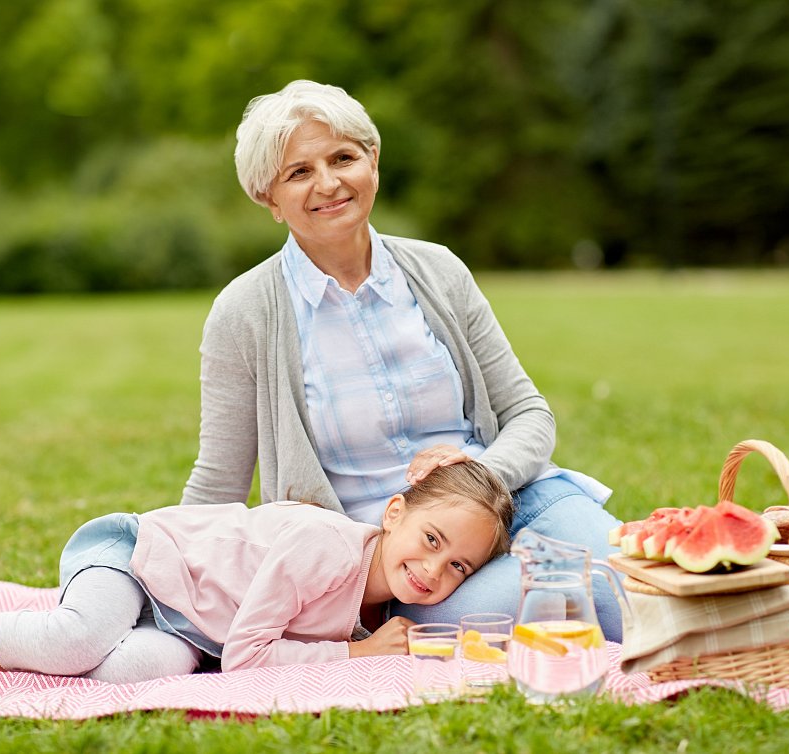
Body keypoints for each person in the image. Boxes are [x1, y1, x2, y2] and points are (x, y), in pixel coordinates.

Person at [181, 80, 625, 641]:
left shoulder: (438, 270)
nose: (329, 183)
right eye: (299, 172)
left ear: (373, 161)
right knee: (552, 596)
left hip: (514, 497)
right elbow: (218, 483)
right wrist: (171, 581)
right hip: (405, 568)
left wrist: (482, 471)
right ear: (268, 198)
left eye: (343, 158)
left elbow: (529, 414)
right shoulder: (244, 312)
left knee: (624, 579)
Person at [0, 462, 513, 683]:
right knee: (76, 641)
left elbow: (228, 650)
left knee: (126, 675)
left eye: (458, 566)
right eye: (429, 538)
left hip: (188, 623)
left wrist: (359, 639)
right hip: (143, 560)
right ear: (393, 513)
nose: (433, 570)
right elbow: (247, 657)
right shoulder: (326, 548)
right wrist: (353, 654)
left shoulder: (373, 603)